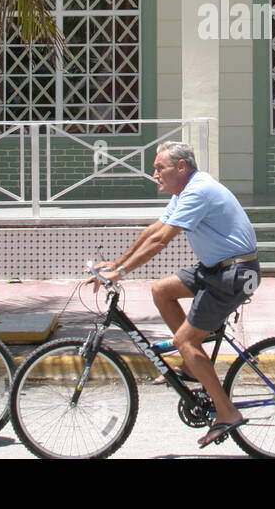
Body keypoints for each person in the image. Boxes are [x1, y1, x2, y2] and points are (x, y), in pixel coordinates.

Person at [94, 141, 259, 448]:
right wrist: (114, 263)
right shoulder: (184, 191)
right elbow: (152, 231)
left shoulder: (198, 191)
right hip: (215, 269)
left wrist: (121, 273)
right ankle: (190, 365)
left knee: (185, 341)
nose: (154, 173)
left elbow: (160, 242)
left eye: (160, 168)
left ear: (181, 167)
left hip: (234, 274)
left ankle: (226, 412)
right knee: (161, 290)